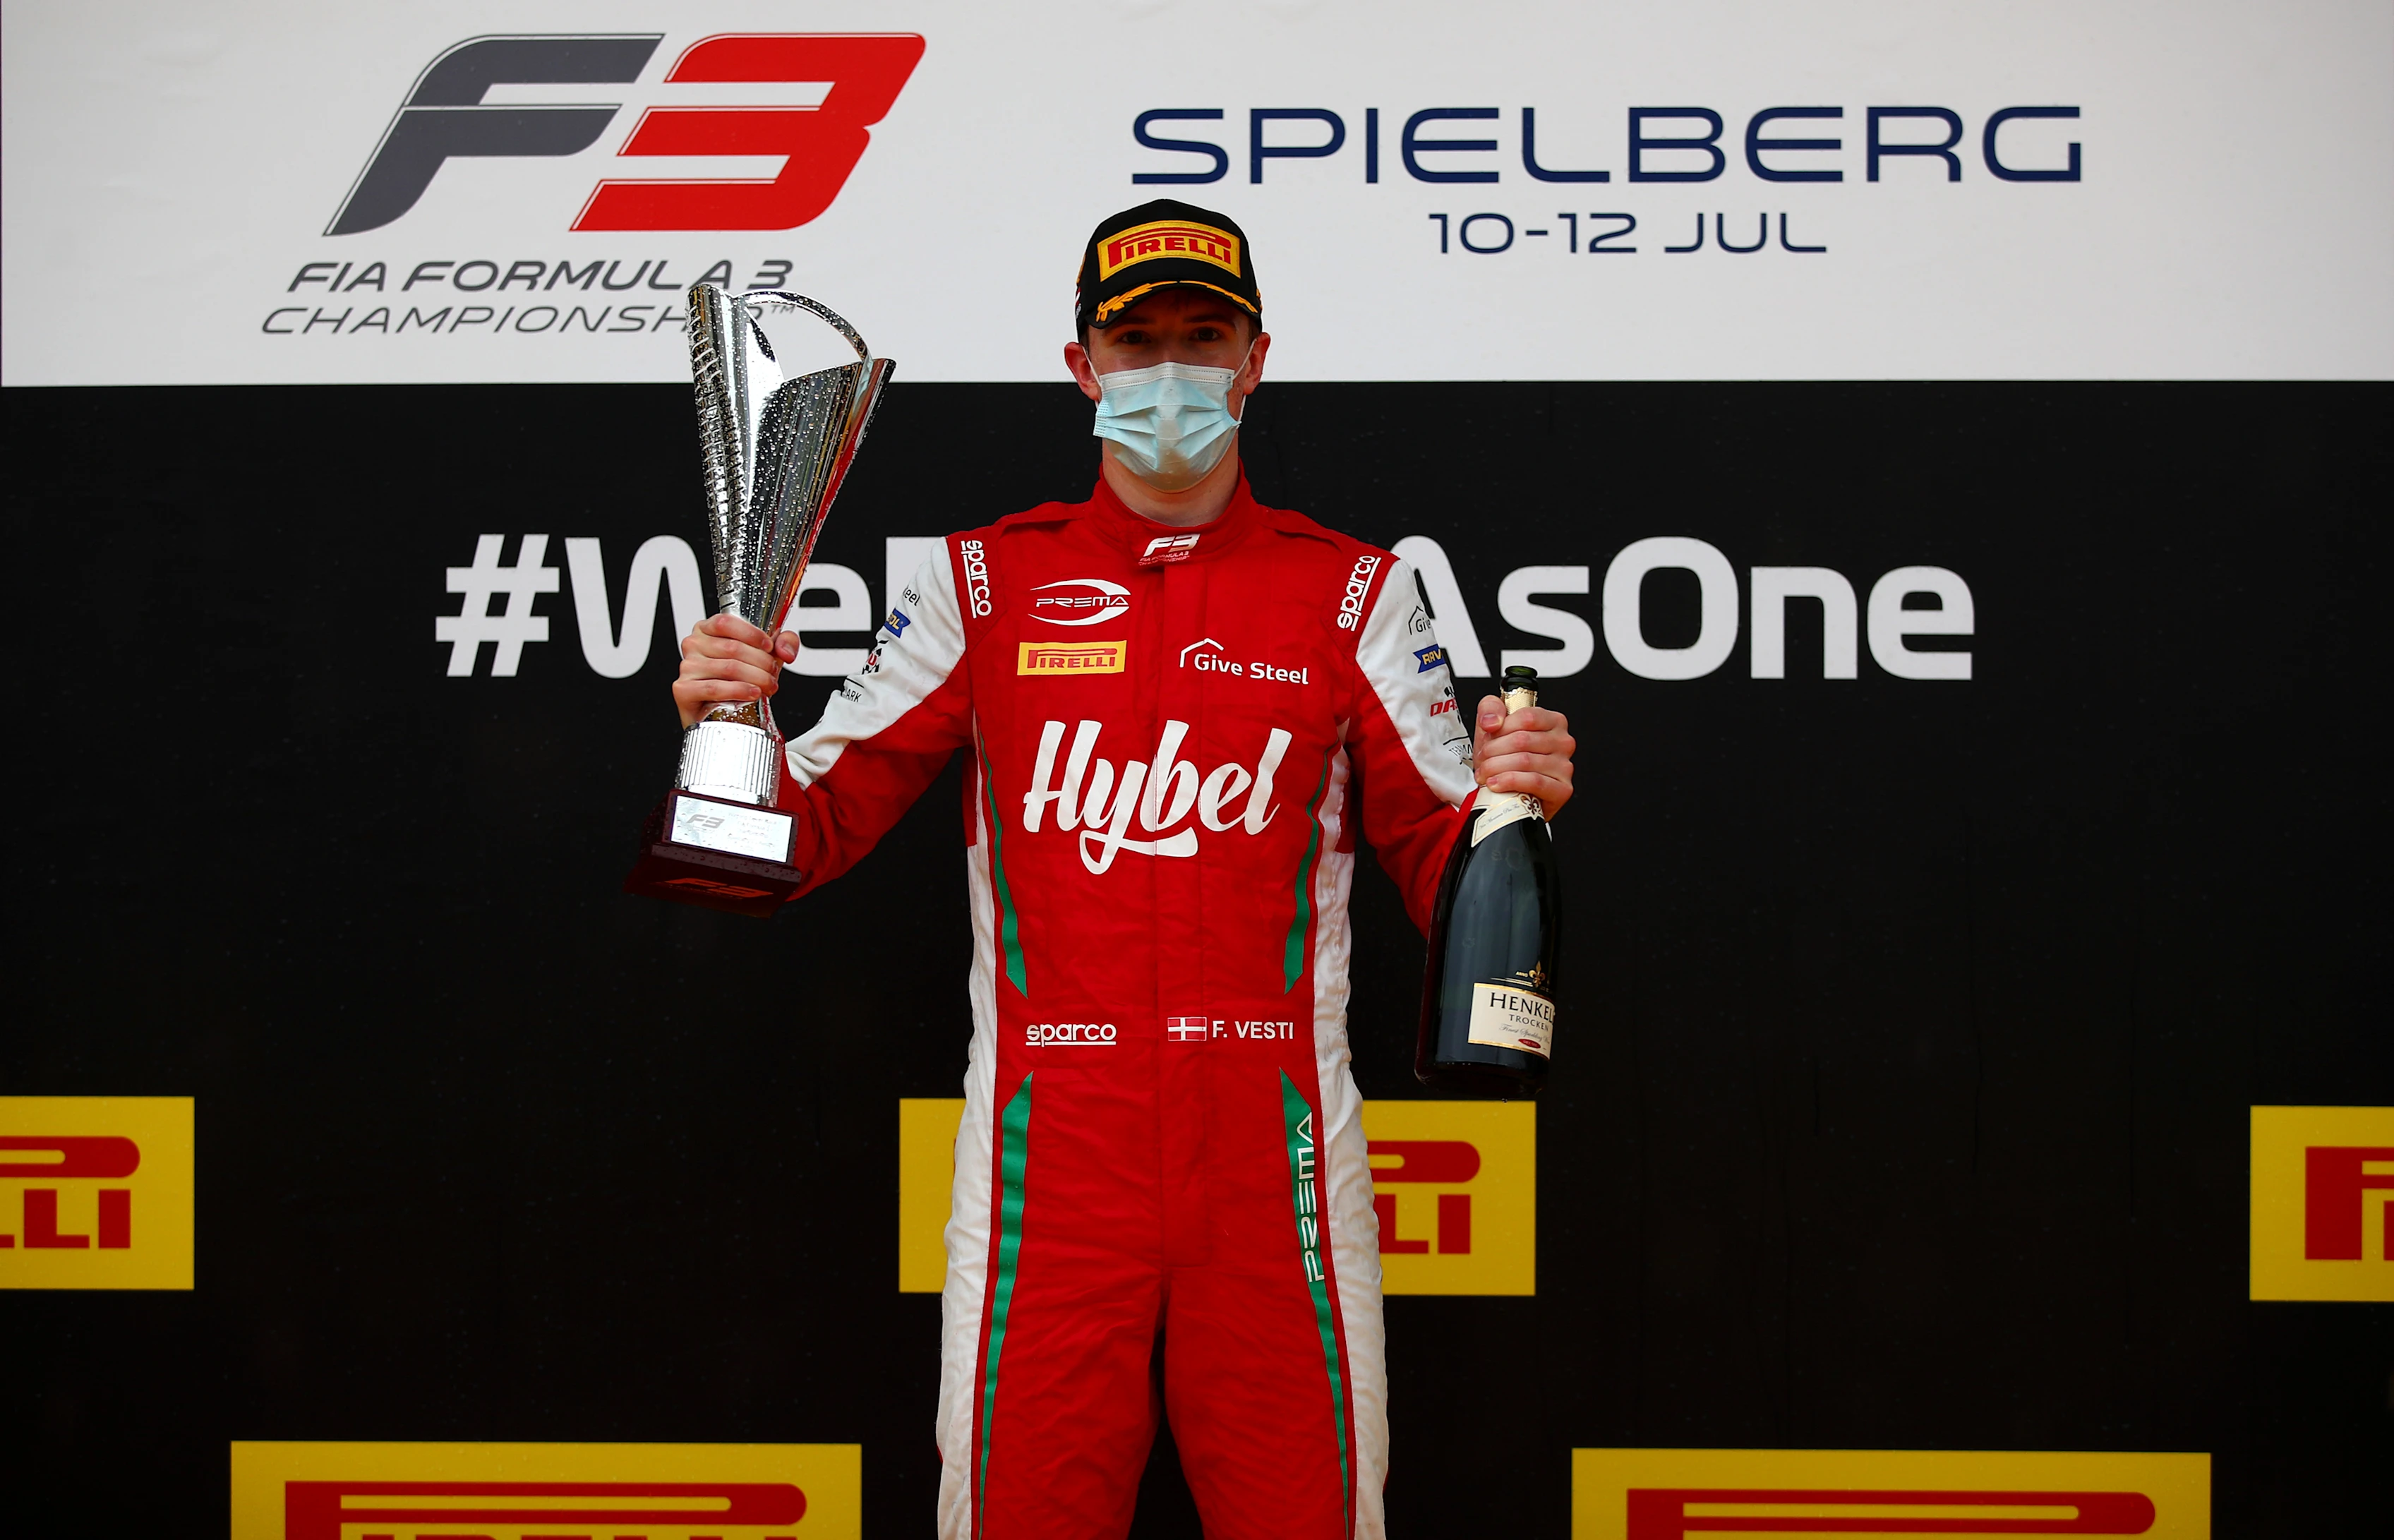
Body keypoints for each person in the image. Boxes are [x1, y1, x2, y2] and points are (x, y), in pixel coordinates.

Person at [672, 199, 1577, 1540]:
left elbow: (1446, 868)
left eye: (1201, 338)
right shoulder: (980, 585)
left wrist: (1517, 800)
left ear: (1255, 359)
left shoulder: (1354, 594)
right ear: (1081, 368)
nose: (1170, 370)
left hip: (1280, 1169)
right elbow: (785, 850)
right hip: (1049, 1167)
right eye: (1135, 339)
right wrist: (727, 733)